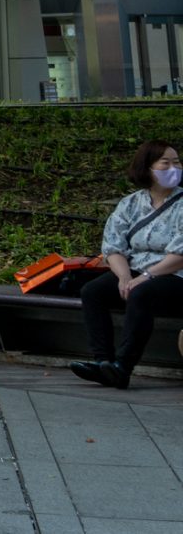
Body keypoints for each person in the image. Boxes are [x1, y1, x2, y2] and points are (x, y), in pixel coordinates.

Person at [72, 142, 183, 389]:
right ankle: (103, 362)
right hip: (136, 271)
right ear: (148, 168)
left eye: (177, 162)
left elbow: (180, 255)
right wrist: (123, 276)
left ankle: (123, 367)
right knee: (93, 291)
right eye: (166, 162)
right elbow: (113, 246)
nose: (174, 167)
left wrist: (145, 276)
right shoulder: (130, 204)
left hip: (175, 275)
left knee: (141, 293)